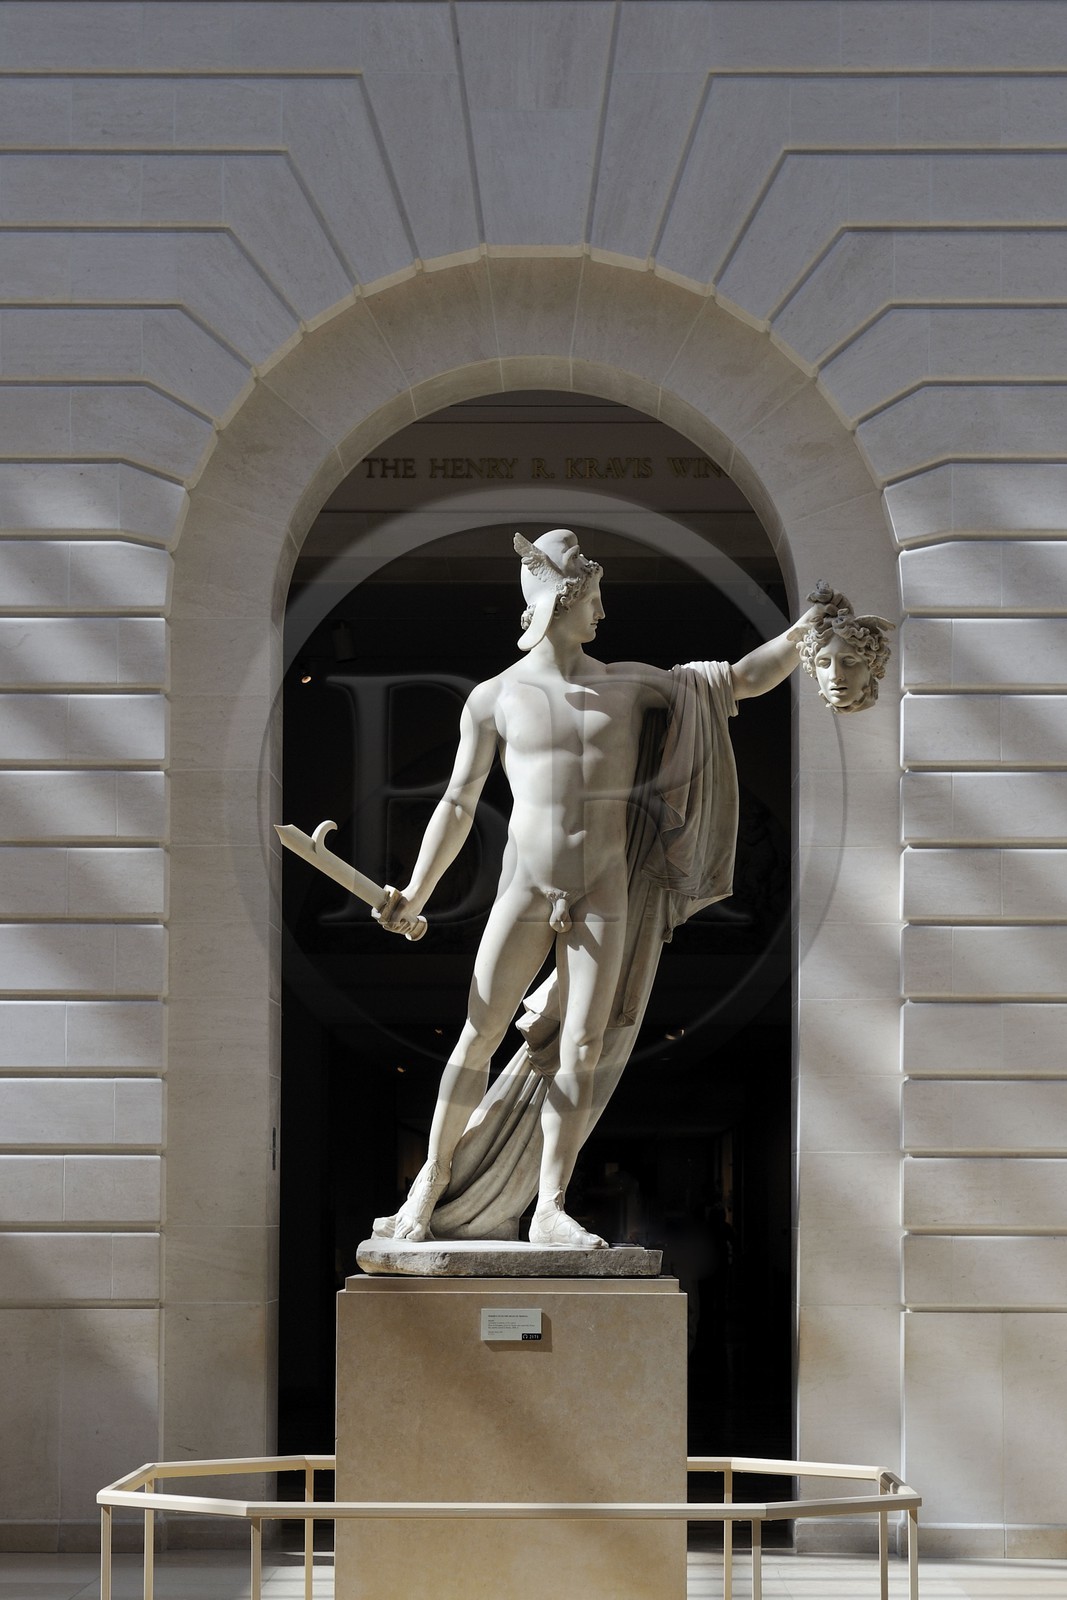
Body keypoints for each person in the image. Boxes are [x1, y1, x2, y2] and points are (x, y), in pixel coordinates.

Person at [372, 529, 835, 1249]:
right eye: (592, 598)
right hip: (525, 890)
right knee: (478, 1034)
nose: (601, 613)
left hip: (604, 892)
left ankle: (549, 1206)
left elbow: (736, 680)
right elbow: (456, 805)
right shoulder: (494, 698)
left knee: (582, 1047)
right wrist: (418, 891)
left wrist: (802, 636)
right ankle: (427, 1186)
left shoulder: (633, 685)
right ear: (560, 602)